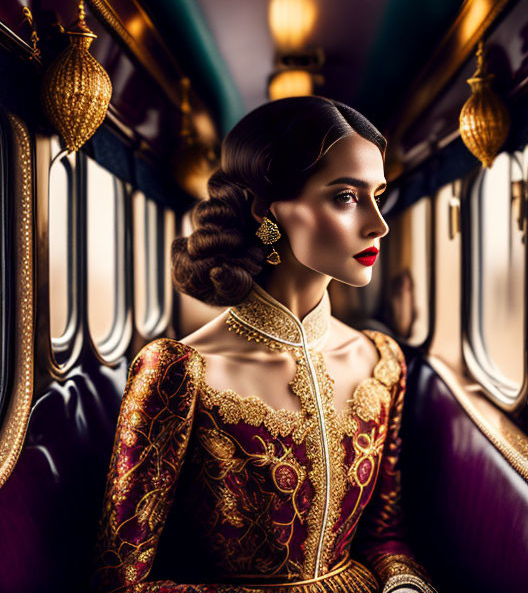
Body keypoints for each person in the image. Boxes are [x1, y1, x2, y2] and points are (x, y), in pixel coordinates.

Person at [91, 96, 437, 593]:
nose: (378, 223)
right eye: (345, 196)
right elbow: (120, 584)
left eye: (378, 195)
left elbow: (385, 535)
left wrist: (404, 584)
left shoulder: (380, 362)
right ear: (267, 210)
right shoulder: (177, 372)